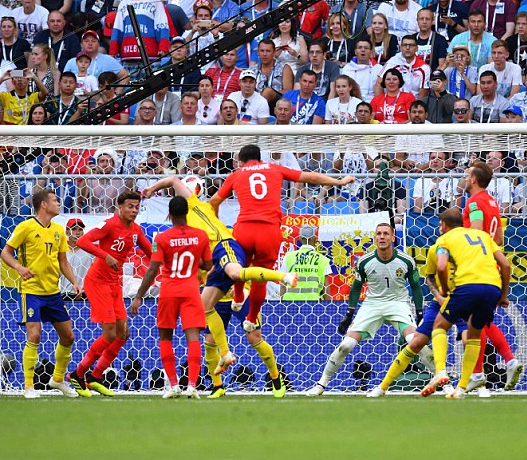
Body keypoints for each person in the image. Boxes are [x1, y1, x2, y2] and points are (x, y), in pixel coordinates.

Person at [142, 175, 298, 398]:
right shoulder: (192, 224)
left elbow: (174, 181)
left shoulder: (197, 211)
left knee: (254, 337)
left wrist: (152, 188)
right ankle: (218, 385)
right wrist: (152, 187)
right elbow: (174, 181)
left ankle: (276, 379)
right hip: (217, 286)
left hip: (227, 255)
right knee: (207, 329)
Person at [369, 208, 511, 399]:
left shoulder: (463, 245)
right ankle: (382, 387)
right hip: (444, 301)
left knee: (471, 338)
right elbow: (429, 277)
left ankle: (474, 383)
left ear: (444, 225)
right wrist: (439, 295)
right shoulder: (438, 247)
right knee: (417, 342)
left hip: (463, 297)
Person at [211, 144, 354, 328]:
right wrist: (339, 182)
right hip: (269, 231)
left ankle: (238, 295)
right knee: (260, 278)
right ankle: (252, 319)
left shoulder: (236, 175)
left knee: (240, 268)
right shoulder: (274, 168)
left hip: (244, 228)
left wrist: (218, 227)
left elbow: (214, 201)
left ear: (240, 161)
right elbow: (310, 177)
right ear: (261, 159)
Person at [307, 222, 427, 395]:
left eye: (386, 233)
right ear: (374, 238)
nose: (382, 237)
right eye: (379, 234)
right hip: (372, 304)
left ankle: (442, 378)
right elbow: (356, 288)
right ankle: (321, 384)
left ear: (393, 238)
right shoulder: (365, 261)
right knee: (345, 346)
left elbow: (415, 286)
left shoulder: (406, 260)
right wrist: (349, 314)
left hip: (398, 304)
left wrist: (420, 313)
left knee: (415, 342)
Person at [65, 190, 152, 396]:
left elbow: (152, 253)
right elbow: (83, 241)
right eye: (130, 206)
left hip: (114, 283)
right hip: (97, 282)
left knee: (123, 334)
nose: (134, 210)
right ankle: (77, 374)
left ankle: (95, 377)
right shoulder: (109, 224)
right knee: (110, 333)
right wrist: (106, 256)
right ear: (120, 207)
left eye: (137, 207)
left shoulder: (136, 231)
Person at [1, 189, 82, 399]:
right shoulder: (25, 227)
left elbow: (63, 260)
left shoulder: (58, 230)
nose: (58, 203)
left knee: (68, 336)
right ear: (43, 205)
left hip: (53, 292)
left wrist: (74, 282)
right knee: (34, 335)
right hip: (32, 291)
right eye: (55, 200)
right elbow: (5, 253)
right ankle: (28, 386)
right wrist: (19, 268)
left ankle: (57, 379)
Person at [129, 196, 211, 399]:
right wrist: (193, 262)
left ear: (170, 215)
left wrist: (139, 296)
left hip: (169, 292)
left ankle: (174, 385)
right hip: (191, 290)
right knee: (193, 338)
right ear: (187, 213)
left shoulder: (161, 239)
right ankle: (192, 385)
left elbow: (152, 269)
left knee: (166, 337)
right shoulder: (201, 236)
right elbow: (208, 265)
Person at [461, 161, 523, 394]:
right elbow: (498, 238)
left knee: (474, 325)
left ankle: (477, 373)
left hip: (476, 268)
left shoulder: (475, 202)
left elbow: (476, 233)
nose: (466, 179)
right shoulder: (492, 202)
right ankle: (509, 360)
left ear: (474, 179)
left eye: (468, 175)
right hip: (492, 268)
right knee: (483, 322)